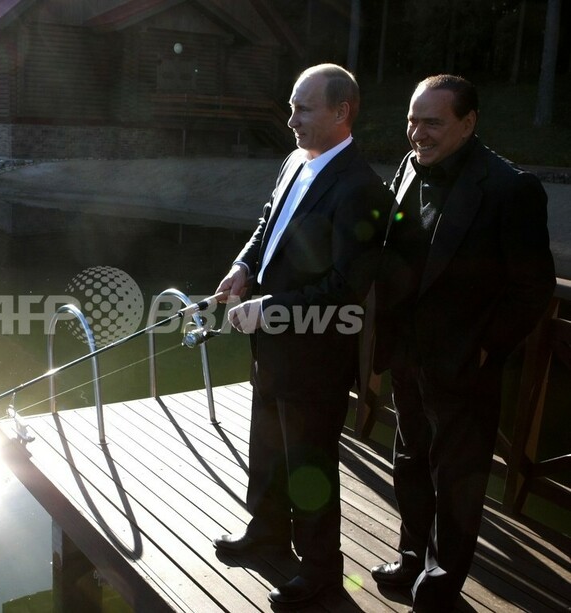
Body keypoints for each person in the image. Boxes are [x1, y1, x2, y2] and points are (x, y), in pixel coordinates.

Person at [371, 74, 556, 612]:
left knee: (456, 477)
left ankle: (443, 579)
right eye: (412, 119)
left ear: (468, 123)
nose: (417, 133)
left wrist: (486, 349)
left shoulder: (510, 188)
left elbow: (534, 287)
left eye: (432, 122)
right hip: (406, 354)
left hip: (463, 365)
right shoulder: (409, 167)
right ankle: (411, 558)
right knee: (409, 460)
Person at [212, 63, 392, 607]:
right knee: (265, 447)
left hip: (315, 355)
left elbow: (345, 289)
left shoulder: (363, 188)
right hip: (270, 347)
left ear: (343, 112)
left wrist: (269, 309)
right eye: (291, 106)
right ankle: (266, 531)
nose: (291, 120)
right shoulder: (296, 160)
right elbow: (268, 224)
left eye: (303, 108)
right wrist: (243, 268)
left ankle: (320, 572)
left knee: (310, 466)